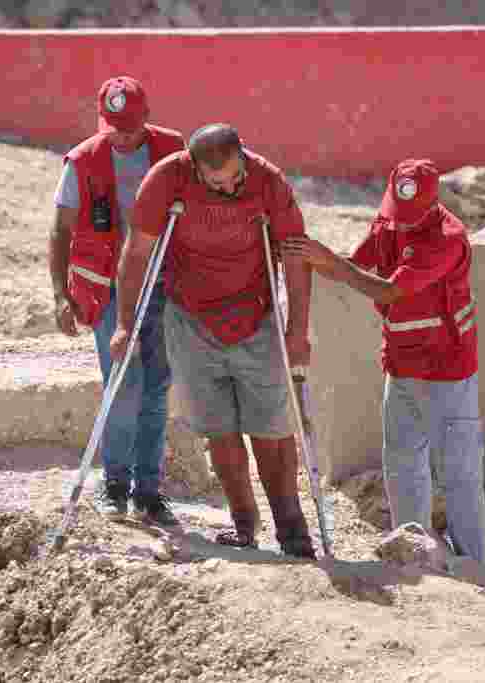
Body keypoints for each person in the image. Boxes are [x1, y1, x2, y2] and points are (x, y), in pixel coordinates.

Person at [111, 123, 318, 558]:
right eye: (216, 182)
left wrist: (298, 330)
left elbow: (296, 256)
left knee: (271, 432)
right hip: (191, 321)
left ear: (243, 155)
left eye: (234, 177)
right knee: (220, 431)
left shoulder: (269, 182)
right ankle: (244, 523)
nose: (228, 187)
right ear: (195, 168)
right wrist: (125, 324)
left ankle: (293, 531)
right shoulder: (167, 179)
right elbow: (136, 253)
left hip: (256, 319)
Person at [280, 158, 485, 563]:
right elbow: (355, 265)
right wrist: (309, 255)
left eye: (412, 216)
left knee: (458, 474)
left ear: (433, 202)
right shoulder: (389, 222)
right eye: (398, 214)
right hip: (403, 365)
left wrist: (331, 262)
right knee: (402, 464)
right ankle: (413, 552)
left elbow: (390, 291)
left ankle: (477, 566)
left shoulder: (447, 238)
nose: (403, 223)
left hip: (447, 369)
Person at [48, 76, 186, 525]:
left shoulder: (172, 149)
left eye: (130, 126)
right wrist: (61, 296)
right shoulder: (83, 160)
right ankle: (114, 484)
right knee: (124, 382)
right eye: (114, 126)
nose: (122, 136)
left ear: (146, 115)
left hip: (163, 284)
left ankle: (148, 490)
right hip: (109, 289)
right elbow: (61, 230)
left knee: (157, 386)